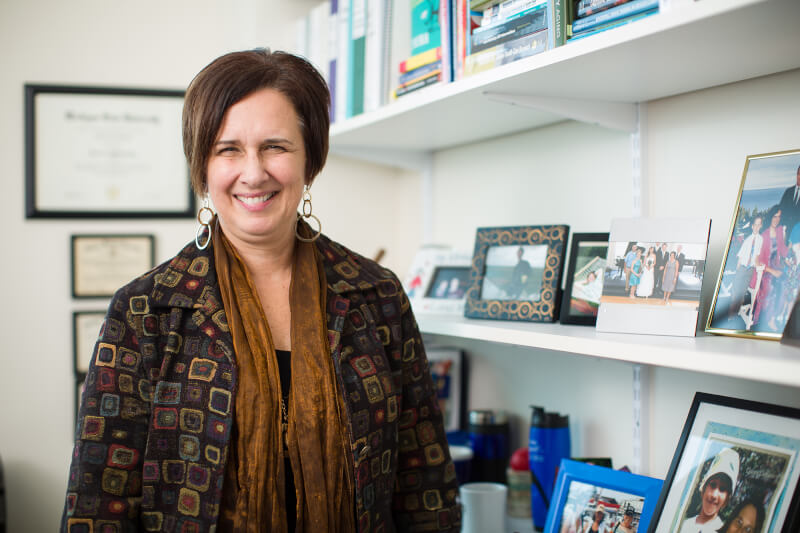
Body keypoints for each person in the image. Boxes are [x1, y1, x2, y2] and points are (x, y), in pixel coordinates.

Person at [60, 49, 461, 532]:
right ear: (202, 167)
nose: (253, 172)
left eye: (275, 146)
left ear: (310, 158)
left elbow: (425, 485)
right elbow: (99, 502)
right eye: (228, 149)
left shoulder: (376, 295)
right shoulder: (148, 310)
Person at [679, 448, 740, 533]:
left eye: (722, 489)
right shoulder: (683, 524)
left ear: (727, 499)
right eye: (712, 485)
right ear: (703, 488)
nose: (714, 495)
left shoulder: (723, 531)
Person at [752, 206, 789, 332]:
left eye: (779, 216)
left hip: (775, 266)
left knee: (786, 280)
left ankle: (775, 315)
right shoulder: (764, 235)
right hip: (764, 270)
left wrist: (791, 253)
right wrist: (773, 271)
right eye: (775, 216)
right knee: (774, 284)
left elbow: (783, 249)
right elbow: (759, 262)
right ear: (771, 216)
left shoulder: (779, 231)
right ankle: (768, 319)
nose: (777, 219)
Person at [727, 216, 763, 320]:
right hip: (742, 267)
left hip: (750, 269)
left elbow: (757, 254)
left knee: (742, 291)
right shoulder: (748, 239)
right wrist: (738, 268)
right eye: (755, 224)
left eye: (758, 224)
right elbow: (741, 254)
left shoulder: (760, 240)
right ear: (752, 226)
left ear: (760, 226)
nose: (756, 227)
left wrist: (757, 264)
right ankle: (730, 313)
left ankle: (735, 311)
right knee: (735, 289)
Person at [777, 164, 800, 245]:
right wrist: (781, 227)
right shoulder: (788, 191)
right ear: (797, 174)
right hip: (785, 230)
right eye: (799, 174)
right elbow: (781, 209)